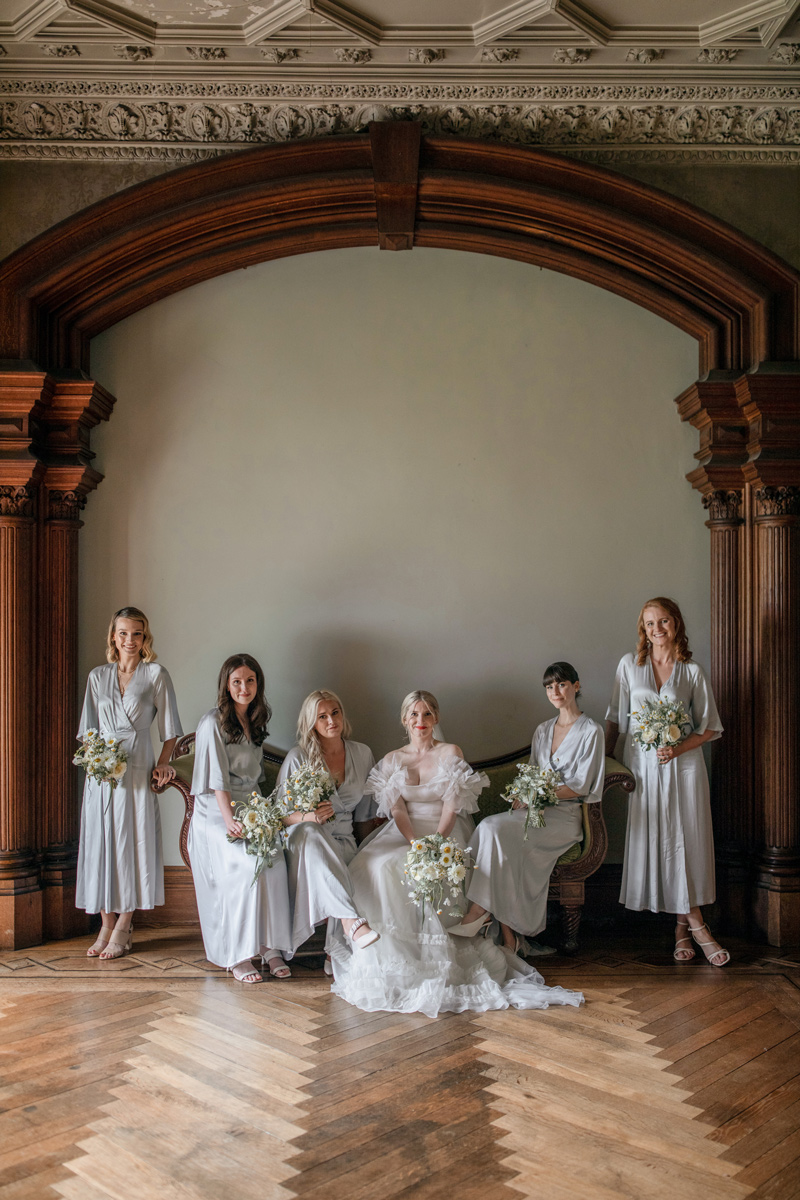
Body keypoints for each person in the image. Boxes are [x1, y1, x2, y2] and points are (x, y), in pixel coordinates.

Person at [328, 690, 584, 1017]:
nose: (420, 722)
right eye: (414, 715)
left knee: (430, 865)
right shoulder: (392, 759)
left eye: (427, 715)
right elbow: (398, 811)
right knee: (376, 864)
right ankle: (389, 955)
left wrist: (435, 842)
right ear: (405, 720)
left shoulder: (450, 752)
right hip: (404, 832)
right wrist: (414, 844)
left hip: (446, 828)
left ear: (436, 718)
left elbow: (452, 806)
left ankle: (435, 953)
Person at [605, 597, 729, 966]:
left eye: (663, 622)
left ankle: (686, 928)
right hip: (643, 767)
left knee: (685, 839)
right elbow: (615, 715)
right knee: (660, 839)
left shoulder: (691, 670)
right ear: (642, 629)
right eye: (649, 624)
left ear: (676, 623)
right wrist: (607, 762)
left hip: (685, 765)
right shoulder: (630, 664)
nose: (656, 630)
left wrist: (676, 750)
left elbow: (709, 726)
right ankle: (693, 926)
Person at [454, 662, 604, 951]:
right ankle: (506, 934)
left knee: (493, 829)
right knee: (489, 829)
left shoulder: (591, 731)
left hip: (564, 817)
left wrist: (536, 796)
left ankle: (480, 913)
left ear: (576, 685)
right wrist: (522, 795)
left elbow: (581, 786)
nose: (555, 691)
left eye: (561, 684)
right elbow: (532, 773)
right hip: (534, 812)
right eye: (549, 686)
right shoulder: (543, 730)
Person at [77, 606, 183, 960]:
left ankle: (124, 923)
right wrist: (97, 763)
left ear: (145, 637)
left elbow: (170, 732)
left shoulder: (155, 674)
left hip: (137, 768)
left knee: (132, 843)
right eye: (123, 633)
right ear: (113, 636)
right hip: (102, 775)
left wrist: (163, 765)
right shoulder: (97, 677)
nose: (130, 640)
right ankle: (105, 923)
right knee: (101, 842)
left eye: (137, 634)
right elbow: (89, 731)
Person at [189, 654, 292, 983]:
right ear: (226, 685)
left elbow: (257, 779)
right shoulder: (212, 722)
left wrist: (264, 815)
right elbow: (216, 780)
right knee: (247, 863)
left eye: (250, 681)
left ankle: (269, 945)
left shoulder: (255, 722)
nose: (244, 687)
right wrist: (230, 820)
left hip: (250, 806)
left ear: (257, 685)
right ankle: (238, 953)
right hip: (215, 810)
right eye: (237, 682)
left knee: (273, 861)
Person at [276, 690, 380, 968]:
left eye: (335, 713)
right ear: (311, 722)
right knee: (311, 835)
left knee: (354, 861)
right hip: (303, 839)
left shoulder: (362, 753)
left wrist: (368, 852)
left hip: (344, 838)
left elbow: (365, 815)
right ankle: (350, 921)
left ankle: (336, 952)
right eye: (322, 716)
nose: (331, 720)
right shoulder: (298, 758)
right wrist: (308, 816)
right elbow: (278, 818)